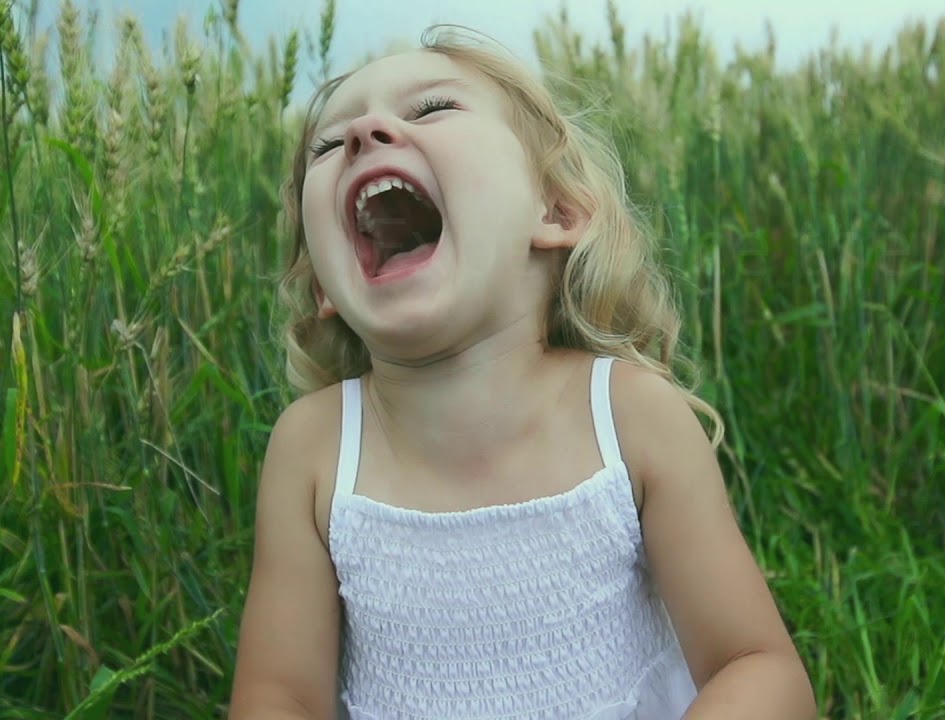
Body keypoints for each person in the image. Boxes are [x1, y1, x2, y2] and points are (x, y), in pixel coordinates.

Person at [228, 24, 815, 720]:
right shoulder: (317, 448)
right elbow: (281, 694)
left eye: (430, 109)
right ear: (322, 282)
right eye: (329, 144)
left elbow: (756, 667)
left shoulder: (629, 416)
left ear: (555, 211)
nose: (365, 134)